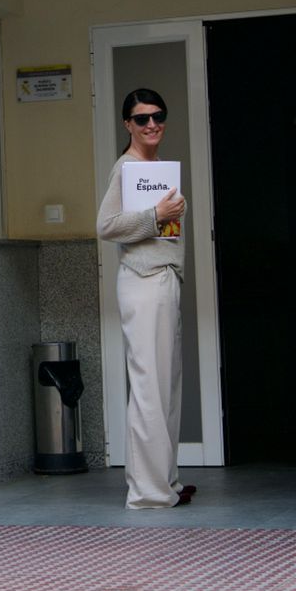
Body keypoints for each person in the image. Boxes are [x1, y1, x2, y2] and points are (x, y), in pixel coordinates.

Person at [97, 87, 196, 509]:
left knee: (165, 385)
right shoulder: (127, 167)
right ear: (128, 124)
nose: (152, 124)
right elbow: (106, 225)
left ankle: (164, 482)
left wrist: (163, 216)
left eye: (158, 116)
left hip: (163, 279)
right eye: (142, 118)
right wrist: (156, 215)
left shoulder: (156, 168)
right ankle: (148, 492)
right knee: (149, 387)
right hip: (143, 280)